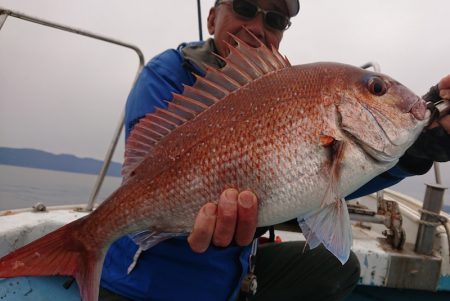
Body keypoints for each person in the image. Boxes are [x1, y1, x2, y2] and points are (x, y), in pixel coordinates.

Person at [99, 1, 450, 300]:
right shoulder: (166, 76)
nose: (256, 25)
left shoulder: (288, 92)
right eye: (245, 7)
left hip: (233, 276)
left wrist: (420, 147)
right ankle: (88, 245)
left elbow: (328, 184)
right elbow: (148, 168)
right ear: (211, 17)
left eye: (275, 19)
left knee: (335, 267)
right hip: (145, 283)